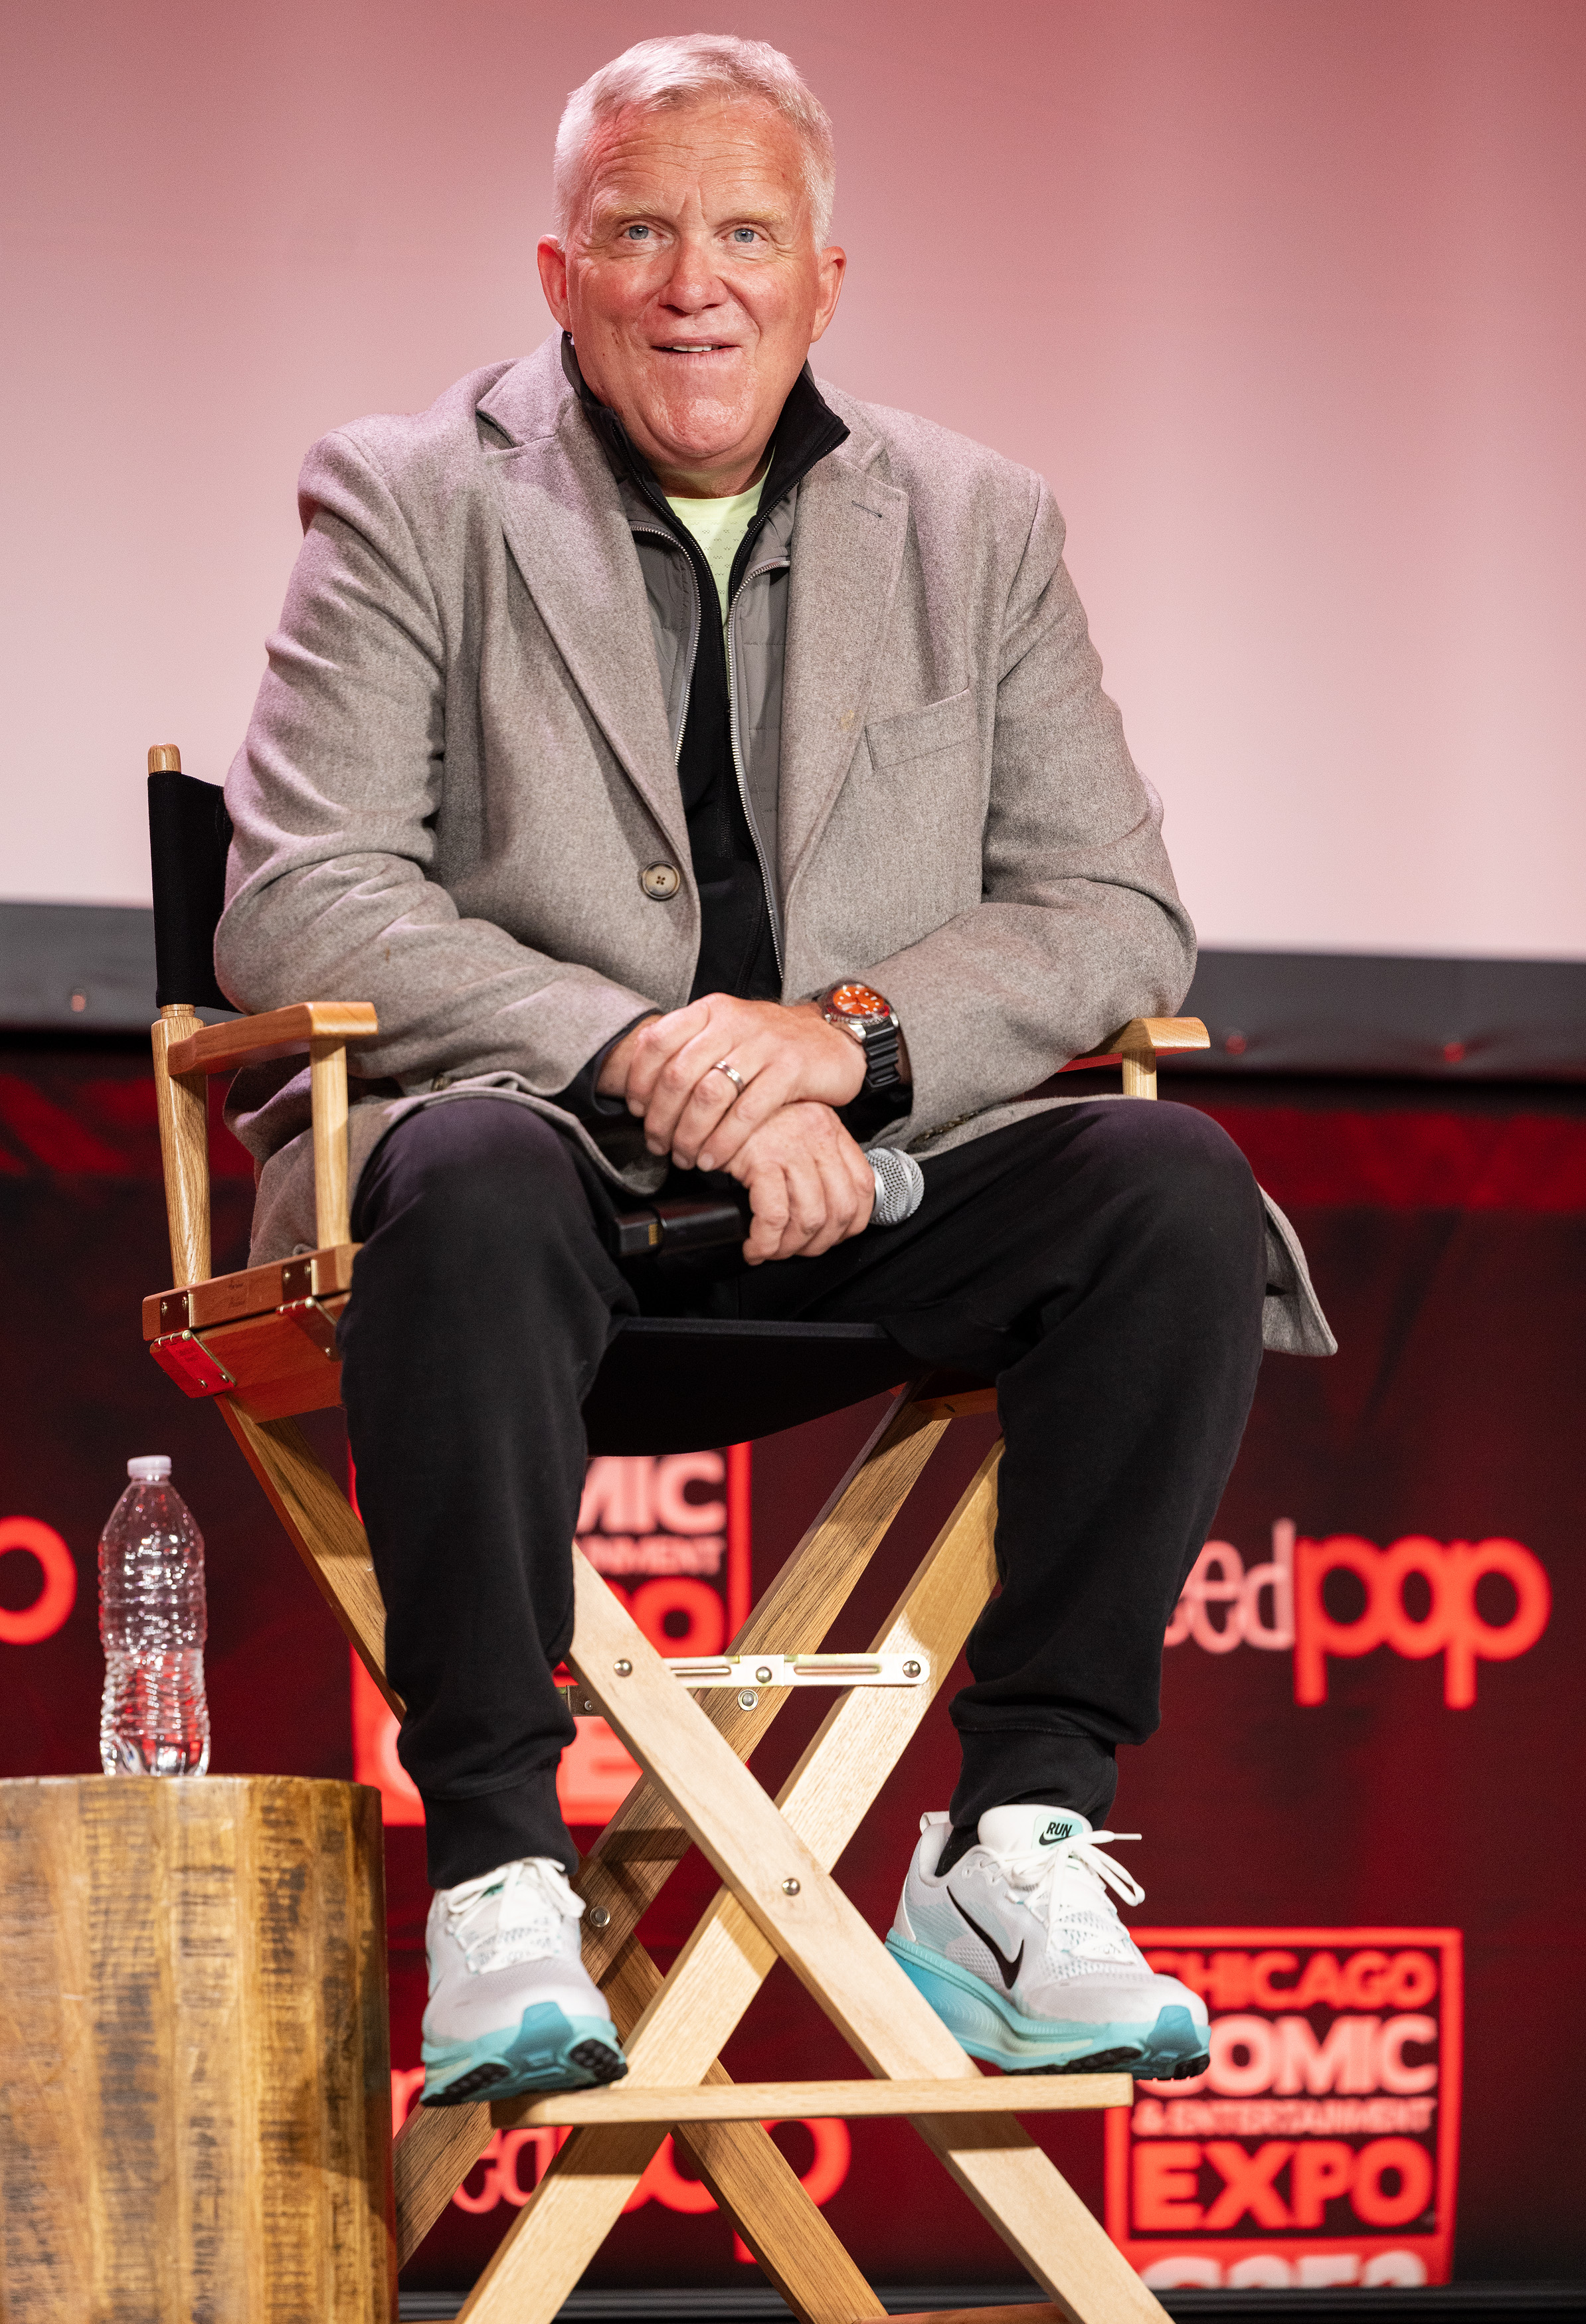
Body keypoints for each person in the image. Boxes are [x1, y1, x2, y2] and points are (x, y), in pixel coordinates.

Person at [218, 34, 1331, 2108]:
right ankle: (495, 1872)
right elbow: (301, 901)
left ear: (829, 275)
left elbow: (1110, 910)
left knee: (1169, 1188)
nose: (690, 281)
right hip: (516, 1201)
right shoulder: (407, 493)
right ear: (558, 274)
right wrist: (650, 1050)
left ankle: (1015, 1843)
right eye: (636, 231)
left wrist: (840, 1047)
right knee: (465, 1161)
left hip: (868, 1196)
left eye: (743, 233)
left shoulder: (979, 523)